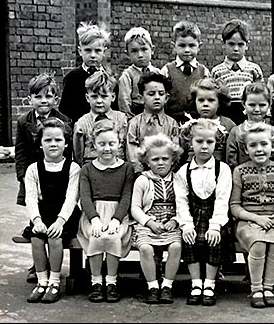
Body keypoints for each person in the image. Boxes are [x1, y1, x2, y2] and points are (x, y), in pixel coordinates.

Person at [15, 73, 72, 283]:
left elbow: (69, 153)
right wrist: (23, 178)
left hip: (56, 178)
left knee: (55, 218)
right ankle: (38, 264)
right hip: (33, 178)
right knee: (36, 218)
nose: (43, 101)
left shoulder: (64, 121)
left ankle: (53, 262)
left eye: (48, 96)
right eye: (38, 96)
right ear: (30, 98)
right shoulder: (24, 122)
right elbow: (20, 153)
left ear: (55, 99)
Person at [230, 123, 274, 308]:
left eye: (264, 144)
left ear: (272, 146)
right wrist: (256, 218)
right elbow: (235, 206)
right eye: (253, 145)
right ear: (246, 149)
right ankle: (256, 289)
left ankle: (268, 287)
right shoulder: (239, 171)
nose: (259, 149)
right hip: (248, 220)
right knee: (258, 244)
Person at [174, 119, 234, 307]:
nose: (205, 146)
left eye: (210, 142)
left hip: (215, 216)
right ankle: (196, 283)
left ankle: (209, 283)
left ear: (217, 143)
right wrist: (186, 225)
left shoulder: (222, 169)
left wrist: (215, 226)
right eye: (199, 141)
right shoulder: (184, 171)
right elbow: (181, 201)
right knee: (191, 240)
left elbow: (222, 199)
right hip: (193, 216)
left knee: (213, 240)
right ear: (190, 142)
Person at [77, 120, 135, 303]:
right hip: (93, 213)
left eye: (112, 143)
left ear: (119, 143)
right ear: (94, 145)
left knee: (112, 236)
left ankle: (111, 281)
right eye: (102, 144)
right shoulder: (87, 169)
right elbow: (85, 197)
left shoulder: (126, 168)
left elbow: (126, 196)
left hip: (118, 214)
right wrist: (94, 219)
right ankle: (96, 281)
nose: (107, 148)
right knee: (97, 236)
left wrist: (117, 219)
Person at [24, 118, 81, 303]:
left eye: (58, 140)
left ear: (65, 144)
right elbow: (31, 198)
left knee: (54, 236)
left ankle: (55, 282)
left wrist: (60, 221)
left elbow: (72, 198)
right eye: (48, 140)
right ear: (41, 144)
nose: (53, 144)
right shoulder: (33, 169)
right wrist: (37, 220)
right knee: (36, 237)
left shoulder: (73, 168)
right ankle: (42, 281)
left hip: (66, 216)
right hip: (43, 213)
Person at [131, 134, 184, 304]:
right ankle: (152, 286)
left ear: (173, 160)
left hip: (170, 224)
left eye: (165, 158)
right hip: (148, 224)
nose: (160, 163)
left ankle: (167, 286)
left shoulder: (178, 180)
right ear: (146, 161)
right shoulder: (142, 180)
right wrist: (148, 222)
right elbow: (135, 208)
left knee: (176, 246)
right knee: (146, 248)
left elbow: (183, 204)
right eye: (155, 159)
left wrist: (175, 220)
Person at [211, 19, 264, 125]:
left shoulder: (253, 69)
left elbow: (261, 94)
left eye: (240, 44)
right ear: (223, 44)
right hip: (225, 113)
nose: (236, 48)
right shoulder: (217, 71)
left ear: (247, 45)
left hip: (248, 114)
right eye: (231, 44)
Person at [126, 72, 180, 173]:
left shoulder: (172, 124)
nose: (157, 97)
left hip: (166, 174)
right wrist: (141, 173)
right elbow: (132, 154)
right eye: (151, 94)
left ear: (166, 98)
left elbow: (175, 152)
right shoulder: (134, 123)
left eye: (161, 94)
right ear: (141, 98)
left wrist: (166, 172)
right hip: (140, 176)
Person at [59, 22, 111, 123]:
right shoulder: (72, 77)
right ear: (80, 51)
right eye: (88, 50)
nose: (92, 55)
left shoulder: (109, 78)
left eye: (97, 51)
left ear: (104, 52)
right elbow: (65, 111)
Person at [73, 71, 128, 165]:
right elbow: (78, 155)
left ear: (113, 97)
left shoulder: (122, 119)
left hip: (118, 166)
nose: (99, 101)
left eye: (104, 96)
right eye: (94, 96)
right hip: (91, 168)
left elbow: (125, 150)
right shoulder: (82, 123)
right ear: (87, 98)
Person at [226, 83, 274, 170]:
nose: (257, 109)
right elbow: (231, 161)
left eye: (262, 105)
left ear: (269, 105)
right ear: (243, 104)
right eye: (252, 105)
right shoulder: (236, 132)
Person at [161, 20, 210, 124]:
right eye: (182, 46)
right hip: (172, 121)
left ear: (199, 47)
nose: (187, 50)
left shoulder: (204, 71)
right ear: (174, 46)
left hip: (198, 122)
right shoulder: (167, 70)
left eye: (192, 46)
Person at [180, 77, 235, 165]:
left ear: (219, 102)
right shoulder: (190, 126)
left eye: (211, 100)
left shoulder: (227, 124)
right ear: (195, 101)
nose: (205, 104)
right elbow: (182, 154)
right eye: (201, 100)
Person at [117, 27, 161, 119]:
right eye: (134, 51)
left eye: (144, 49)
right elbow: (124, 102)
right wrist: (130, 121)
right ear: (127, 54)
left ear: (152, 50)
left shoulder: (158, 73)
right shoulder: (127, 76)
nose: (140, 55)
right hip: (135, 116)